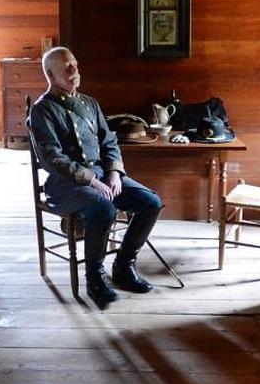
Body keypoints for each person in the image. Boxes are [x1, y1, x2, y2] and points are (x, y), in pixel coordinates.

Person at [27, 47, 163, 308]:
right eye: (66, 67)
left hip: (104, 175)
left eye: (74, 64)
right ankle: (95, 278)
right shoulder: (42, 111)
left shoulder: (89, 103)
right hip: (66, 185)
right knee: (103, 208)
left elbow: (109, 141)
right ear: (50, 74)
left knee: (151, 202)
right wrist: (93, 181)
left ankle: (123, 266)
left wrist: (114, 172)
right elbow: (52, 159)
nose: (74, 69)